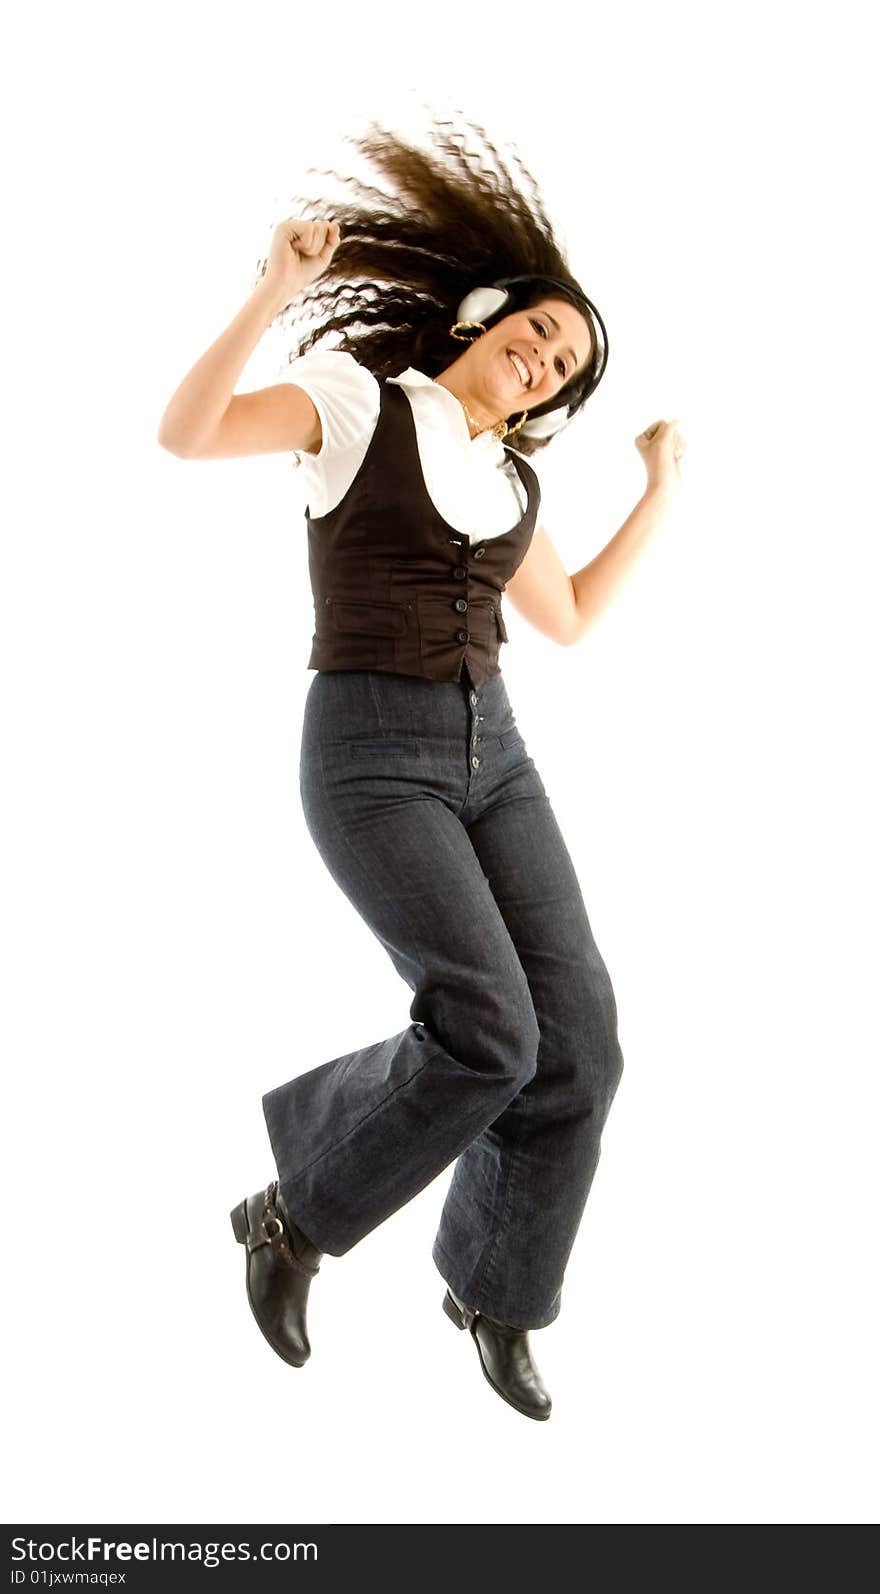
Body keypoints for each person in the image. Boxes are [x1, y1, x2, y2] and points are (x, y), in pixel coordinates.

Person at [158, 115, 686, 1422]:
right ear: (486, 314)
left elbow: (566, 618)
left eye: (562, 362)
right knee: (490, 1033)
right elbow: (188, 432)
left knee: (583, 1043)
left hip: (494, 753)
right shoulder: (354, 399)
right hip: (370, 753)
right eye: (539, 326)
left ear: (548, 398)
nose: (543, 354)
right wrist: (272, 289)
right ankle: (294, 1214)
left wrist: (661, 488)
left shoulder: (509, 482)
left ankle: (496, 1287)